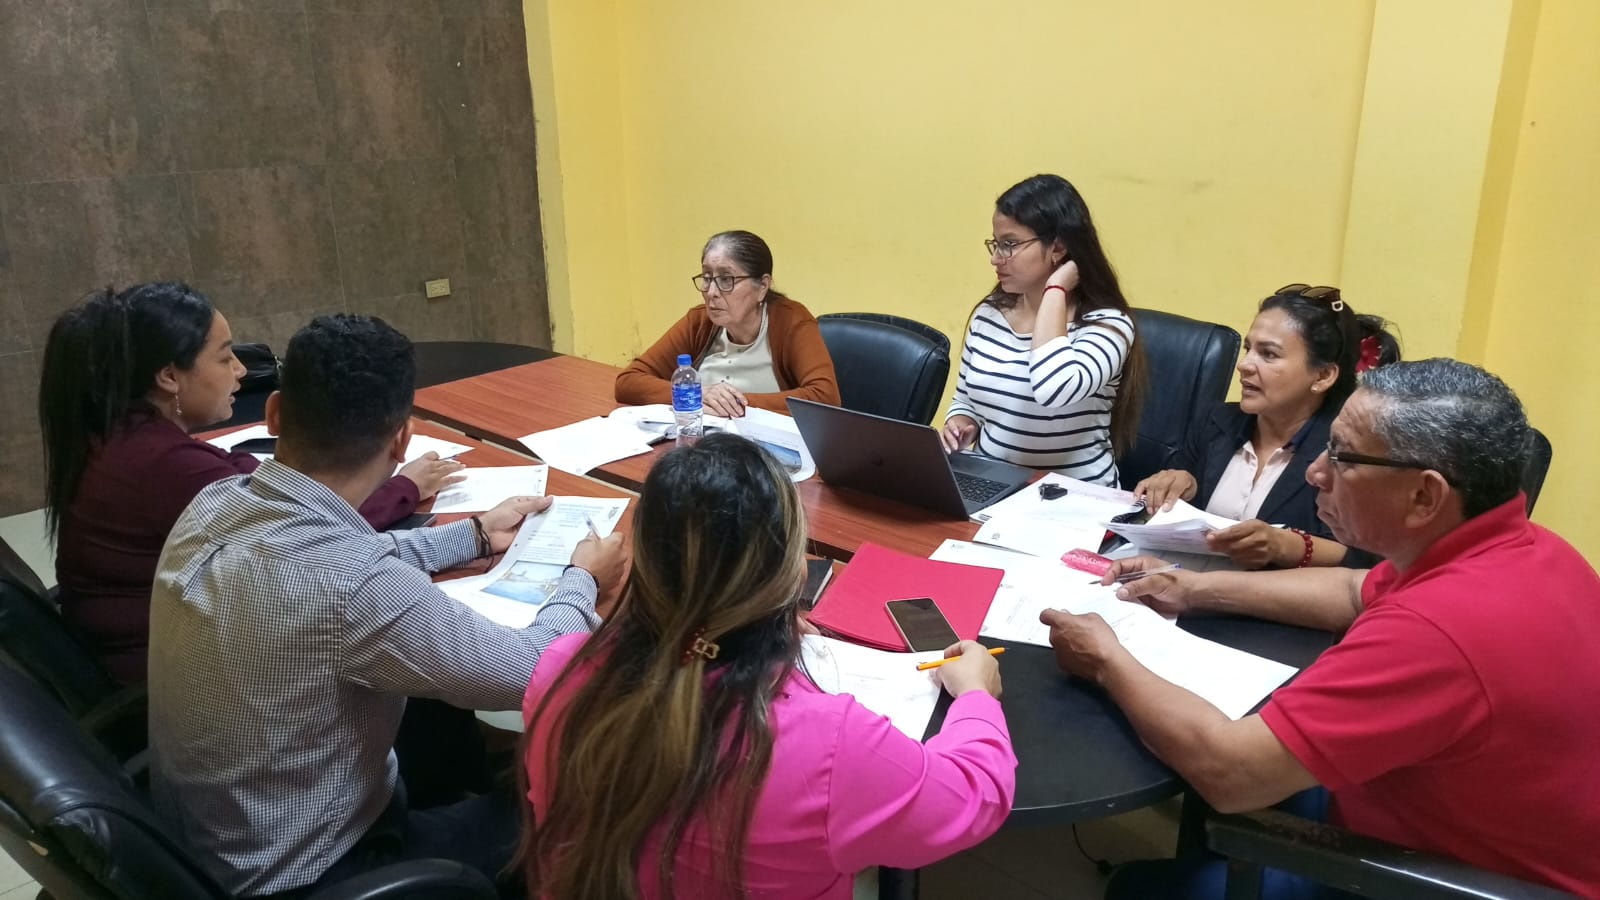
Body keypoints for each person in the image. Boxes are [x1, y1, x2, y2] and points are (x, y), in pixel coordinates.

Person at [1041, 359, 1600, 900]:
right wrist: (1191, 588)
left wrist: (1105, 659)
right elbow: (1355, 590)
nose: (1315, 473)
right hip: (1441, 809)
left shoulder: (1437, 630)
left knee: (1137, 887)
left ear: (1425, 495)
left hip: (1441, 877)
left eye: (1342, 457)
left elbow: (1231, 772)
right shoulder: (1528, 548)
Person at [147, 314, 630, 898]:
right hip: (315, 870)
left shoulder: (215, 502)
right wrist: (583, 579)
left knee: (440, 715)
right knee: (584, 803)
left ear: (274, 414)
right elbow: (531, 671)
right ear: (402, 440)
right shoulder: (353, 585)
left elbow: (345, 547)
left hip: (208, 845)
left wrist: (475, 535)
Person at [518, 433, 1015, 900]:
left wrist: (760, 627)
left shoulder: (560, 669)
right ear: (794, 573)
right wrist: (976, 695)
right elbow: (975, 796)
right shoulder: (828, 744)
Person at [38, 283, 462, 683]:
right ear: (169, 376)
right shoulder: (166, 465)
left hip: (127, 650)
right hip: (167, 676)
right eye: (225, 357)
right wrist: (404, 487)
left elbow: (240, 476)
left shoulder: (125, 434)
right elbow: (319, 534)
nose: (241, 370)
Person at [1134, 284, 1399, 568]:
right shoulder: (1216, 422)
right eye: (1248, 349)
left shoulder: (1346, 456)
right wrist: (1180, 484)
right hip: (1185, 581)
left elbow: (1365, 561)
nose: (1244, 365)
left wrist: (1287, 546)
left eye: (1269, 354)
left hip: (1277, 594)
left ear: (1323, 376)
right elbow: (1184, 512)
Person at [942, 174, 1148, 486]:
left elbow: (1055, 389)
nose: (996, 258)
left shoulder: (1108, 324)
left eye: (1009, 244)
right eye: (996, 244)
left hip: (1074, 497)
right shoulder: (990, 314)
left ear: (1058, 247)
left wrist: (1056, 289)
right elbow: (965, 399)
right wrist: (960, 422)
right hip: (992, 486)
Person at [614, 230, 840, 417]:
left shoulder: (791, 320)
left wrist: (735, 404)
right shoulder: (700, 321)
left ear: (762, 286)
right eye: (707, 278)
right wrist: (701, 393)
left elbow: (825, 398)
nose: (711, 292)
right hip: (703, 439)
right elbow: (628, 381)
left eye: (726, 279)